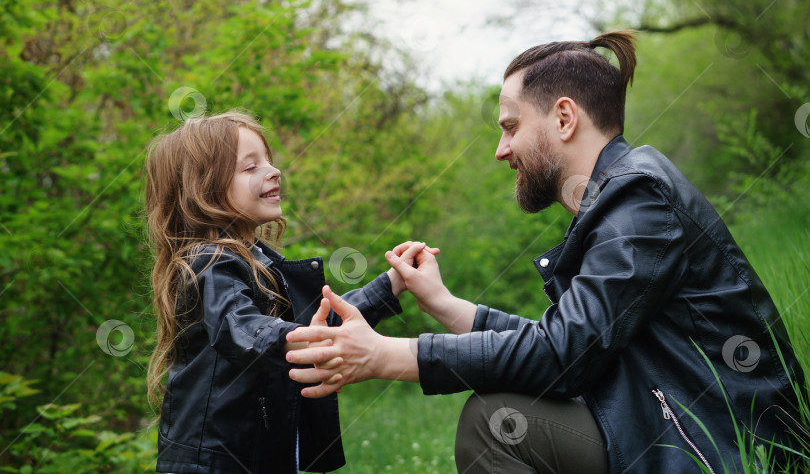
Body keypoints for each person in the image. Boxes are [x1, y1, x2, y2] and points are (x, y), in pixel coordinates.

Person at [285, 31, 806, 473]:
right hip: (672, 422)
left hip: (725, 446)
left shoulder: (638, 202)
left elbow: (563, 357)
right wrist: (444, 304)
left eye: (510, 127)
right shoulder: (620, 198)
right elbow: (567, 343)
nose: (500, 149)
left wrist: (385, 355)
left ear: (563, 119)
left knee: (495, 424)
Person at [144, 110, 417, 473]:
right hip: (210, 463)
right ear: (204, 188)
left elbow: (321, 324)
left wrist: (392, 284)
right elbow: (238, 326)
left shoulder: (261, 262)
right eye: (250, 167)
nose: (273, 171)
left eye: (268, 161)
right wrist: (291, 339)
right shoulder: (206, 263)